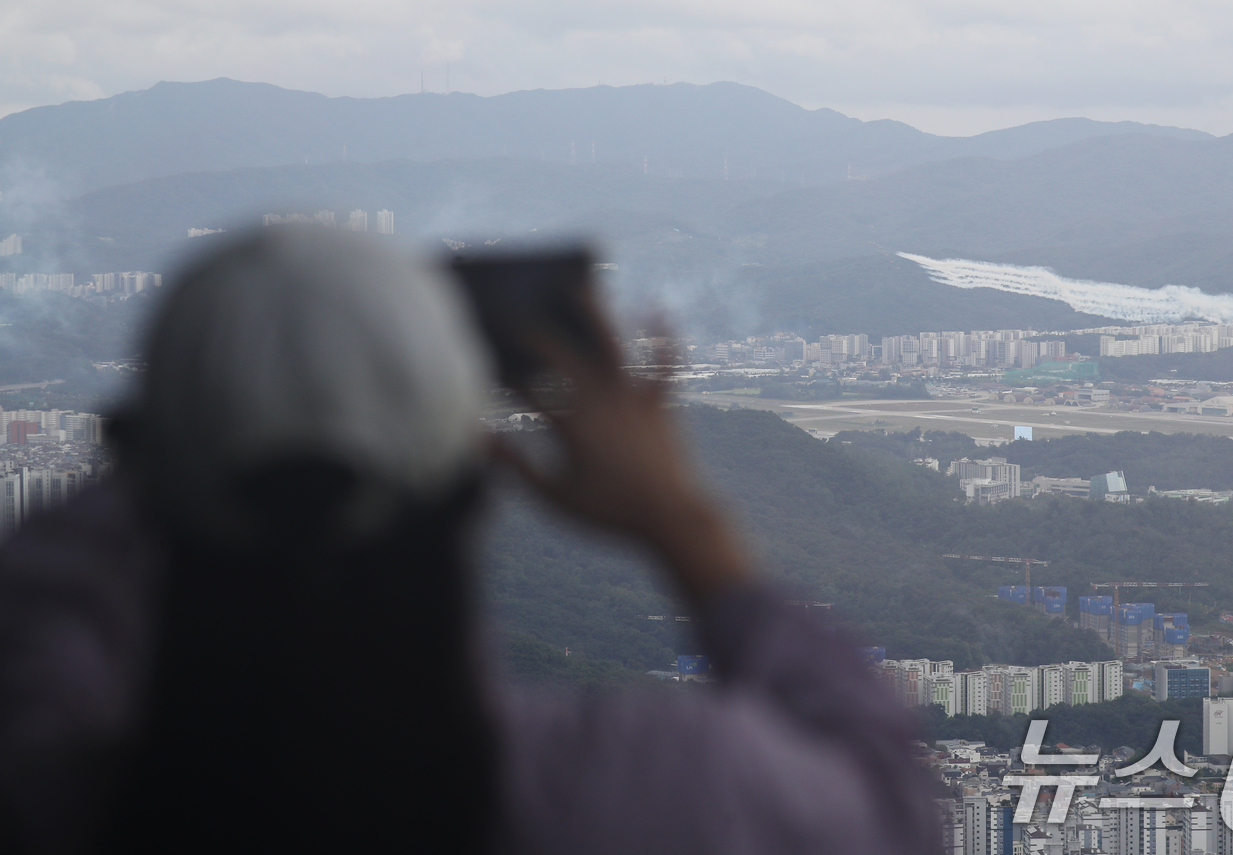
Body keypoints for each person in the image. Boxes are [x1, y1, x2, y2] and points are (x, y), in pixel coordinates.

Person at [0, 228, 939, 853]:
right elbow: (890, 808)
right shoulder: (636, 789)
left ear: (150, 464)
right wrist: (682, 521)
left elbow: (50, 592)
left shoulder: (51, 769)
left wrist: (217, 418)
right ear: (473, 479)